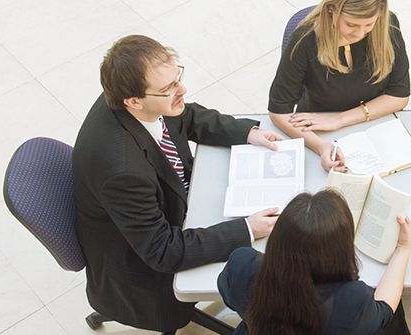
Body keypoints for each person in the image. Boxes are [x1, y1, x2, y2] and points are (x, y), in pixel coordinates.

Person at [73, 35, 283, 333]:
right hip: (142, 269)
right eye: (169, 88)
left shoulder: (140, 99)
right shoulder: (123, 171)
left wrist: (247, 133)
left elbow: (186, 115)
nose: (181, 90)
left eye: (177, 79)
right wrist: (247, 229)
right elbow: (162, 251)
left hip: (170, 209)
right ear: (133, 101)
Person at [218, 190, 411, 334]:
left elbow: (230, 297)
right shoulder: (351, 300)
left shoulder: (241, 266)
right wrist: (402, 249)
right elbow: (385, 310)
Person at [269, 0, 410, 171]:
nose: (360, 33)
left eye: (369, 24)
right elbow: (279, 111)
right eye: (351, 24)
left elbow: (399, 95)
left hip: (376, 123)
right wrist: (320, 146)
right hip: (319, 128)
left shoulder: (387, 25)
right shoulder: (304, 41)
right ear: (331, 9)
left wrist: (339, 120)